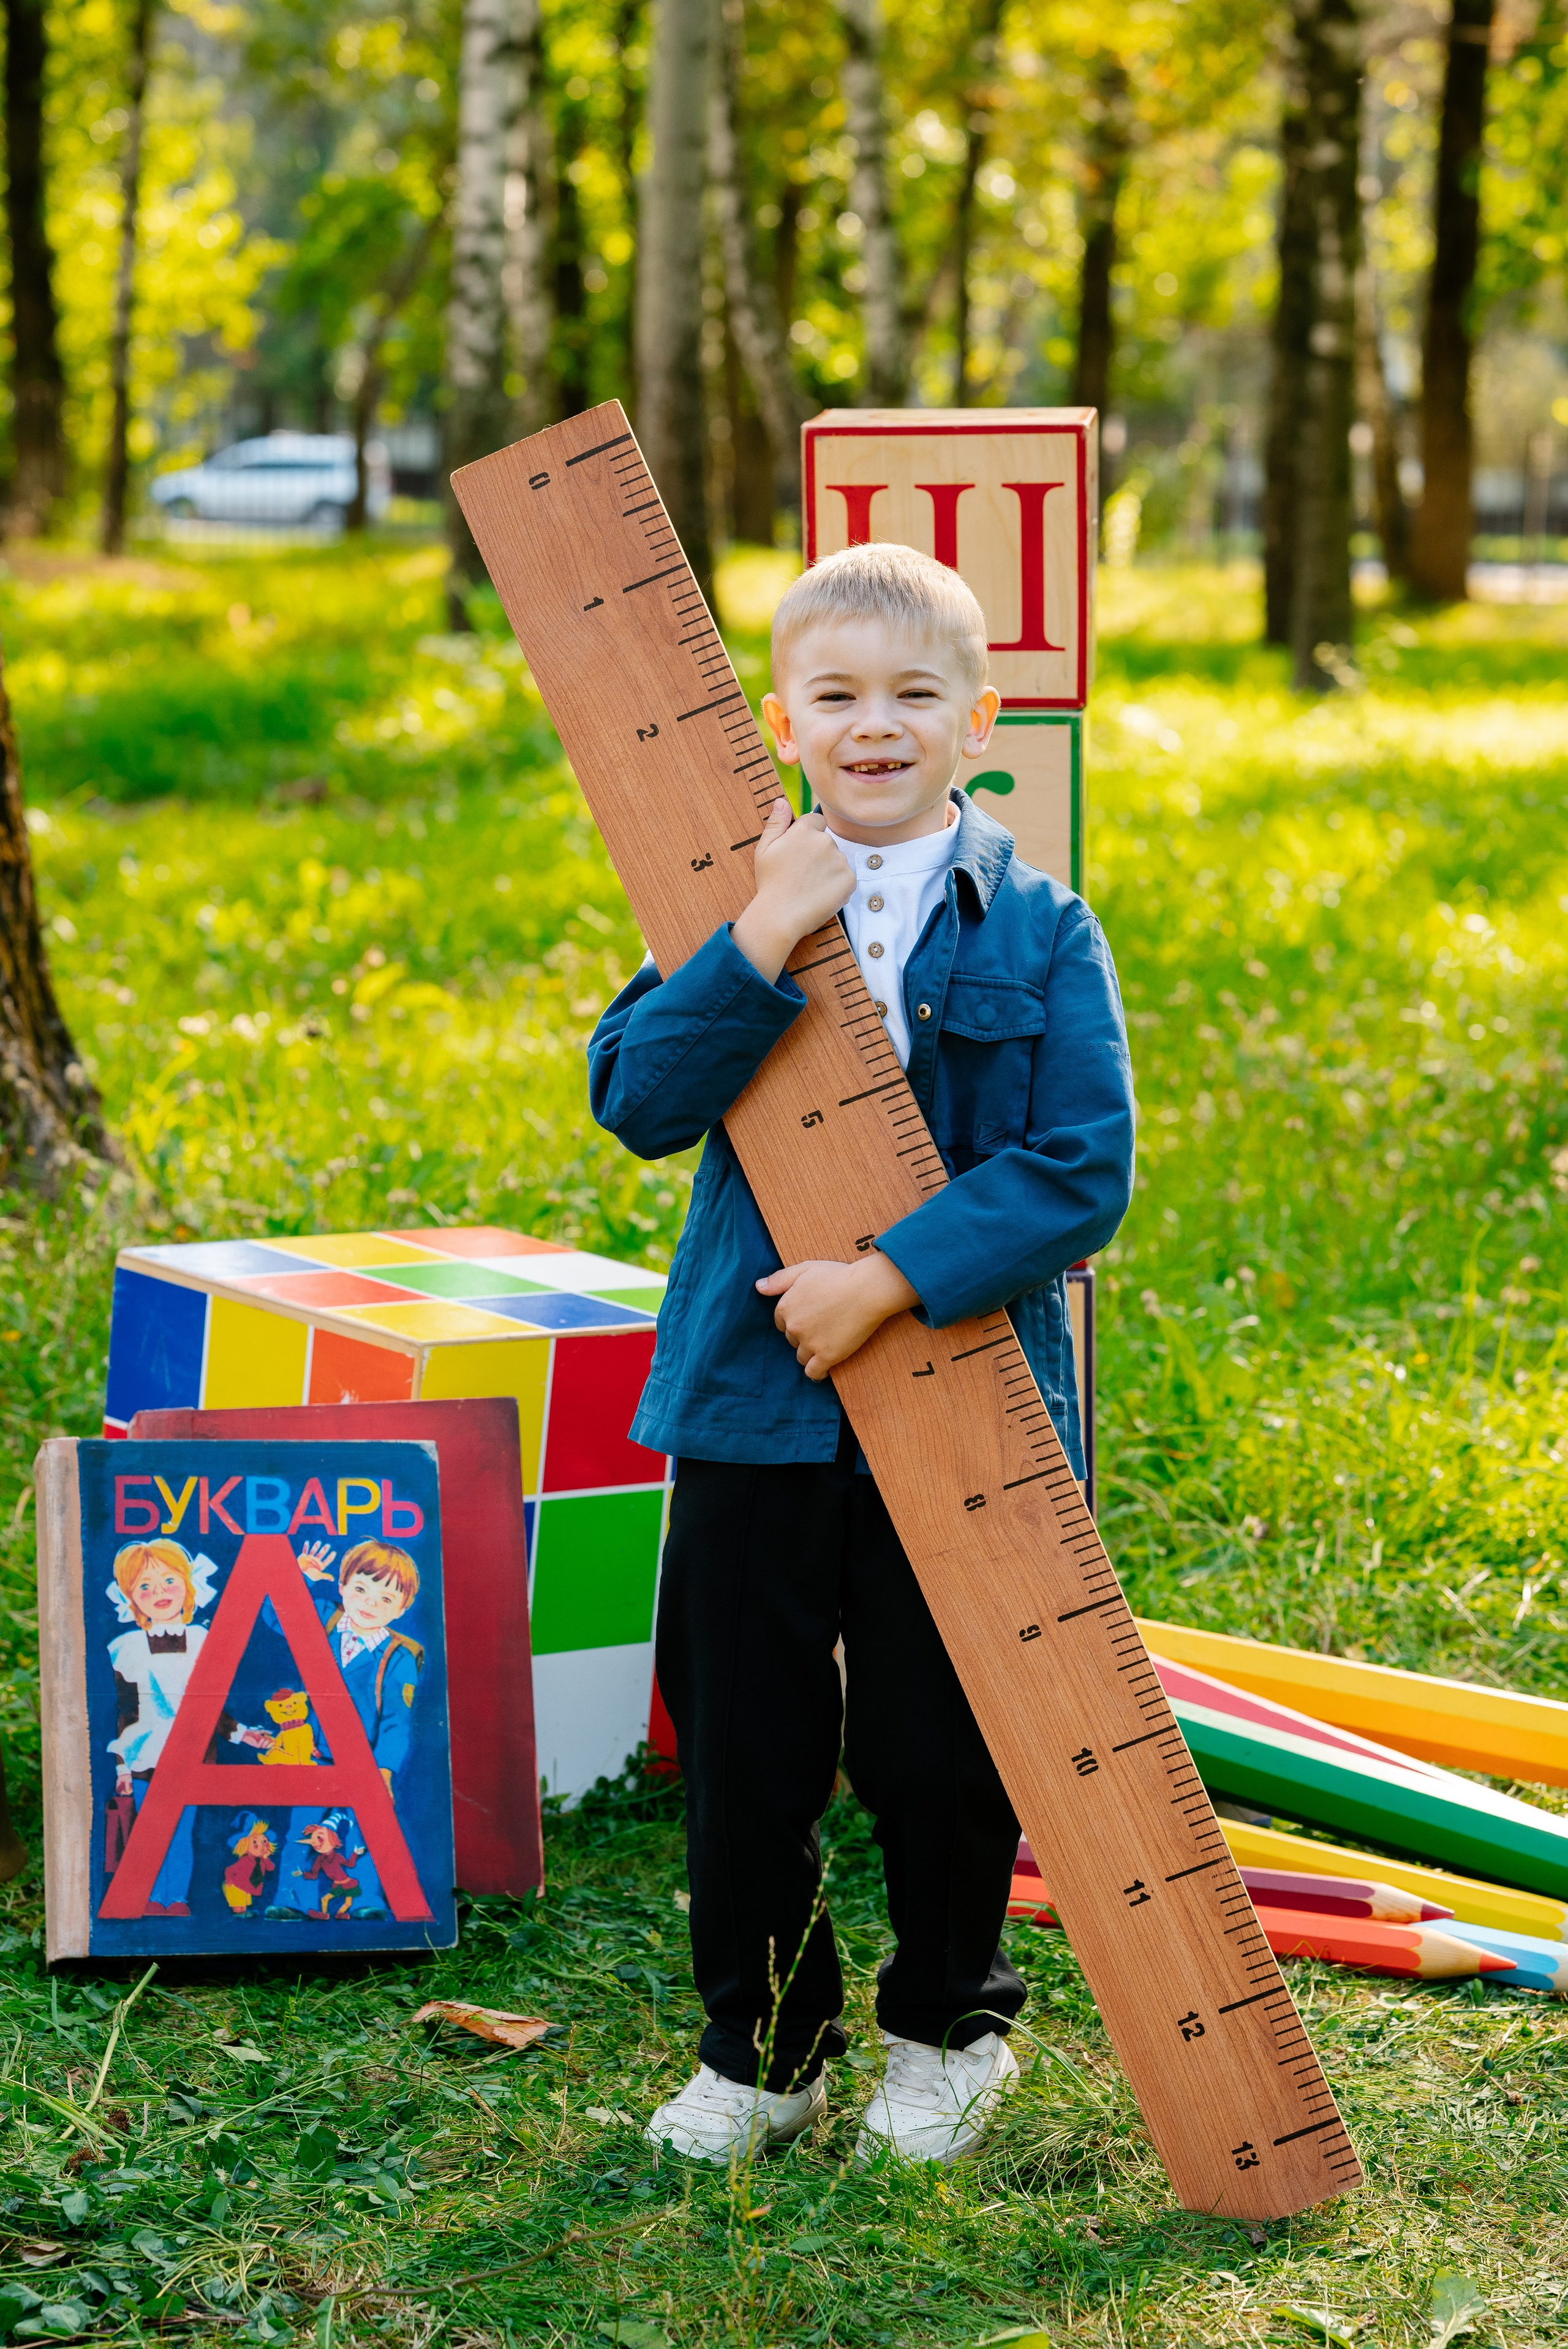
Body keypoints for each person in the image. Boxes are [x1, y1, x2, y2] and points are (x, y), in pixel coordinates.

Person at [588, 542, 1136, 2166]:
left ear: (980, 721)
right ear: (786, 718)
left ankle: (947, 2031)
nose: (875, 723)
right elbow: (636, 1097)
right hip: (753, 1407)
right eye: (839, 695)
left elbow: (1079, 1163)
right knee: (744, 1737)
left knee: (938, 1737)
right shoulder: (729, 897)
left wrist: (890, 1277)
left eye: (914, 696)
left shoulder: (1040, 926)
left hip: (962, 1401)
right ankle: (766, 2051)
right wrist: (761, 938)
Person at [106, 1538, 271, 1917]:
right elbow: (127, 1711)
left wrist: (242, 1733)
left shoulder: (203, 1641)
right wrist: (122, 1766)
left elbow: (210, 1707)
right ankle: (148, 1897)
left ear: (189, 1585)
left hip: (194, 1755)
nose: (159, 1592)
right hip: (146, 1755)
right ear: (131, 1598)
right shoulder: (128, 1647)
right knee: (149, 1834)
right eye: (144, 1586)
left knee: (182, 1834)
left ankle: (175, 1898)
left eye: (168, 1581)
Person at [267, 1538, 423, 1922]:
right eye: (361, 1589)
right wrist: (298, 1577)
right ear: (341, 1587)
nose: (370, 1603)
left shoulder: (401, 1655)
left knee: (363, 1831)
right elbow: (276, 1615)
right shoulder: (324, 1618)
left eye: (386, 1599)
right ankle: (291, 1898)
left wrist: (384, 1769)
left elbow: (396, 1721)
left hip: (365, 1762)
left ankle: (368, 1898)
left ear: (403, 1609)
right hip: (317, 1756)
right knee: (302, 1829)